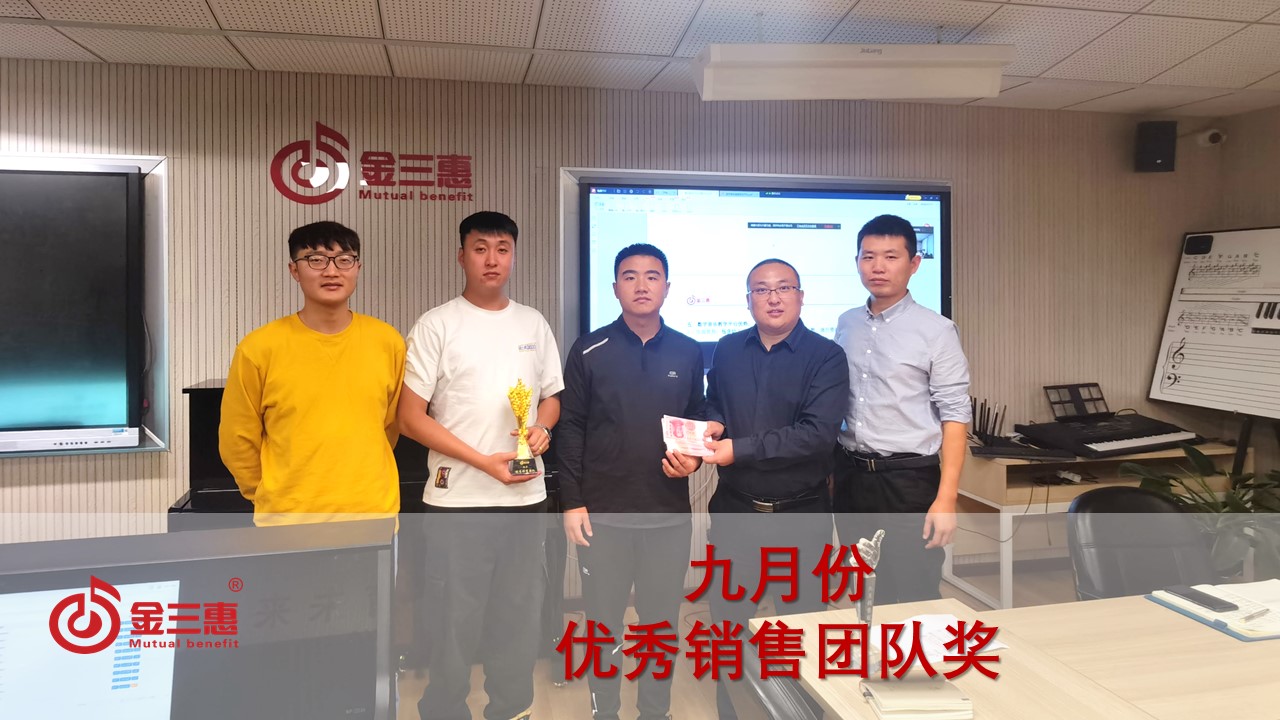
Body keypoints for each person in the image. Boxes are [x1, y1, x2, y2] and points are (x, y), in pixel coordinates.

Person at [398, 211, 562, 720]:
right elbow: (409, 418)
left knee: (518, 617)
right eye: (480, 248)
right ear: (461, 256)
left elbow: (551, 397)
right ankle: (445, 710)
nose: (492, 259)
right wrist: (483, 462)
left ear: (514, 256)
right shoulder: (436, 324)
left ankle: (512, 709)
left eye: (502, 249)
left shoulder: (533, 323)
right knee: (453, 621)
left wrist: (543, 428)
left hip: (524, 498)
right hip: (458, 501)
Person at [558, 243, 705, 720]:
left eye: (652, 276)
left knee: (660, 625)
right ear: (615, 287)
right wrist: (571, 501)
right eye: (630, 276)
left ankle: (654, 712)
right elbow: (571, 427)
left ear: (667, 286)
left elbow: (696, 418)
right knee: (603, 626)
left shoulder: (688, 351)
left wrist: (694, 460)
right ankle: (604, 712)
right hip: (602, 516)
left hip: (667, 516)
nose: (641, 285)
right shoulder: (589, 349)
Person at [702, 258, 849, 720]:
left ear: (801, 296)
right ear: (748, 300)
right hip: (736, 513)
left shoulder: (826, 356)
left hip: (800, 518)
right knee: (728, 628)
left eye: (783, 287)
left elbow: (816, 435)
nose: (773, 297)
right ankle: (731, 711)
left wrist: (738, 449)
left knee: (801, 631)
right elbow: (715, 402)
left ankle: (803, 712)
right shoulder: (727, 349)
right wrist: (713, 422)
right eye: (762, 290)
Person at [218, 221, 405, 525]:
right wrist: (269, 493)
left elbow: (390, 425)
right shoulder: (259, 348)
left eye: (344, 259)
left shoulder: (387, 341)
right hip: (288, 521)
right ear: (294, 270)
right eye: (316, 260)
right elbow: (237, 437)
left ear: (357, 268)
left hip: (372, 514)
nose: (331, 271)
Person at [833, 214, 971, 604]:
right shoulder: (846, 323)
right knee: (864, 588)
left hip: (908, 480)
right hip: (851, 475)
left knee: (914, 590)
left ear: (914, 264)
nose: (878, 267)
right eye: (868, 256)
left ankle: (915, 647)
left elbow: (955, 415)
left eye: (891, 256)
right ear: (857, 262)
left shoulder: (937, 330)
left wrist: (947, 498)